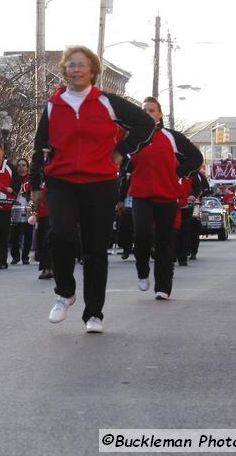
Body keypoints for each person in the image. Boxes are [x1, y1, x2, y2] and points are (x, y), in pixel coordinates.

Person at [30, 46, 155, 334]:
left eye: (82, 65)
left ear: (93, 71)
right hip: (62, 180)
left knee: (95, 248)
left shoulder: (108, 103)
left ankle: (94, 314)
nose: (76, 69)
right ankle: (65, 292)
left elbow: (145, 124)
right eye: (71, 65)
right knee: (59, 235)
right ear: (65, 70)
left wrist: (121, 151)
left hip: (99, 182)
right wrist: (36, 184)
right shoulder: (53, 104)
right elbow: (41, 145)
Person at [123, 97, 202, 300]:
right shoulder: (133, 137)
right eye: (144, 110)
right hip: (141, 195)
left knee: (165, 241)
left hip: (167, 196)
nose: (148, 113)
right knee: (142, 235)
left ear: (159, 115)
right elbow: (123, 161)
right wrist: (126, 170)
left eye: (152, 110)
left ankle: (163, 287)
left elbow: (196, 157)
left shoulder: (171, 137)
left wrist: (179, 172)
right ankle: (142, 271)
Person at [9, 158, 33, 265]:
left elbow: (34, 194)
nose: (21, 167)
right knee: (14, 234)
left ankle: (25, 257)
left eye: (23, 165)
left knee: (28, 234)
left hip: (28, 207)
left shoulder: (31, 179)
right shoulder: (13, 179)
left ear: (27, 167)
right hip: (15, 208)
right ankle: (15, 256)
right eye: (19, 165)